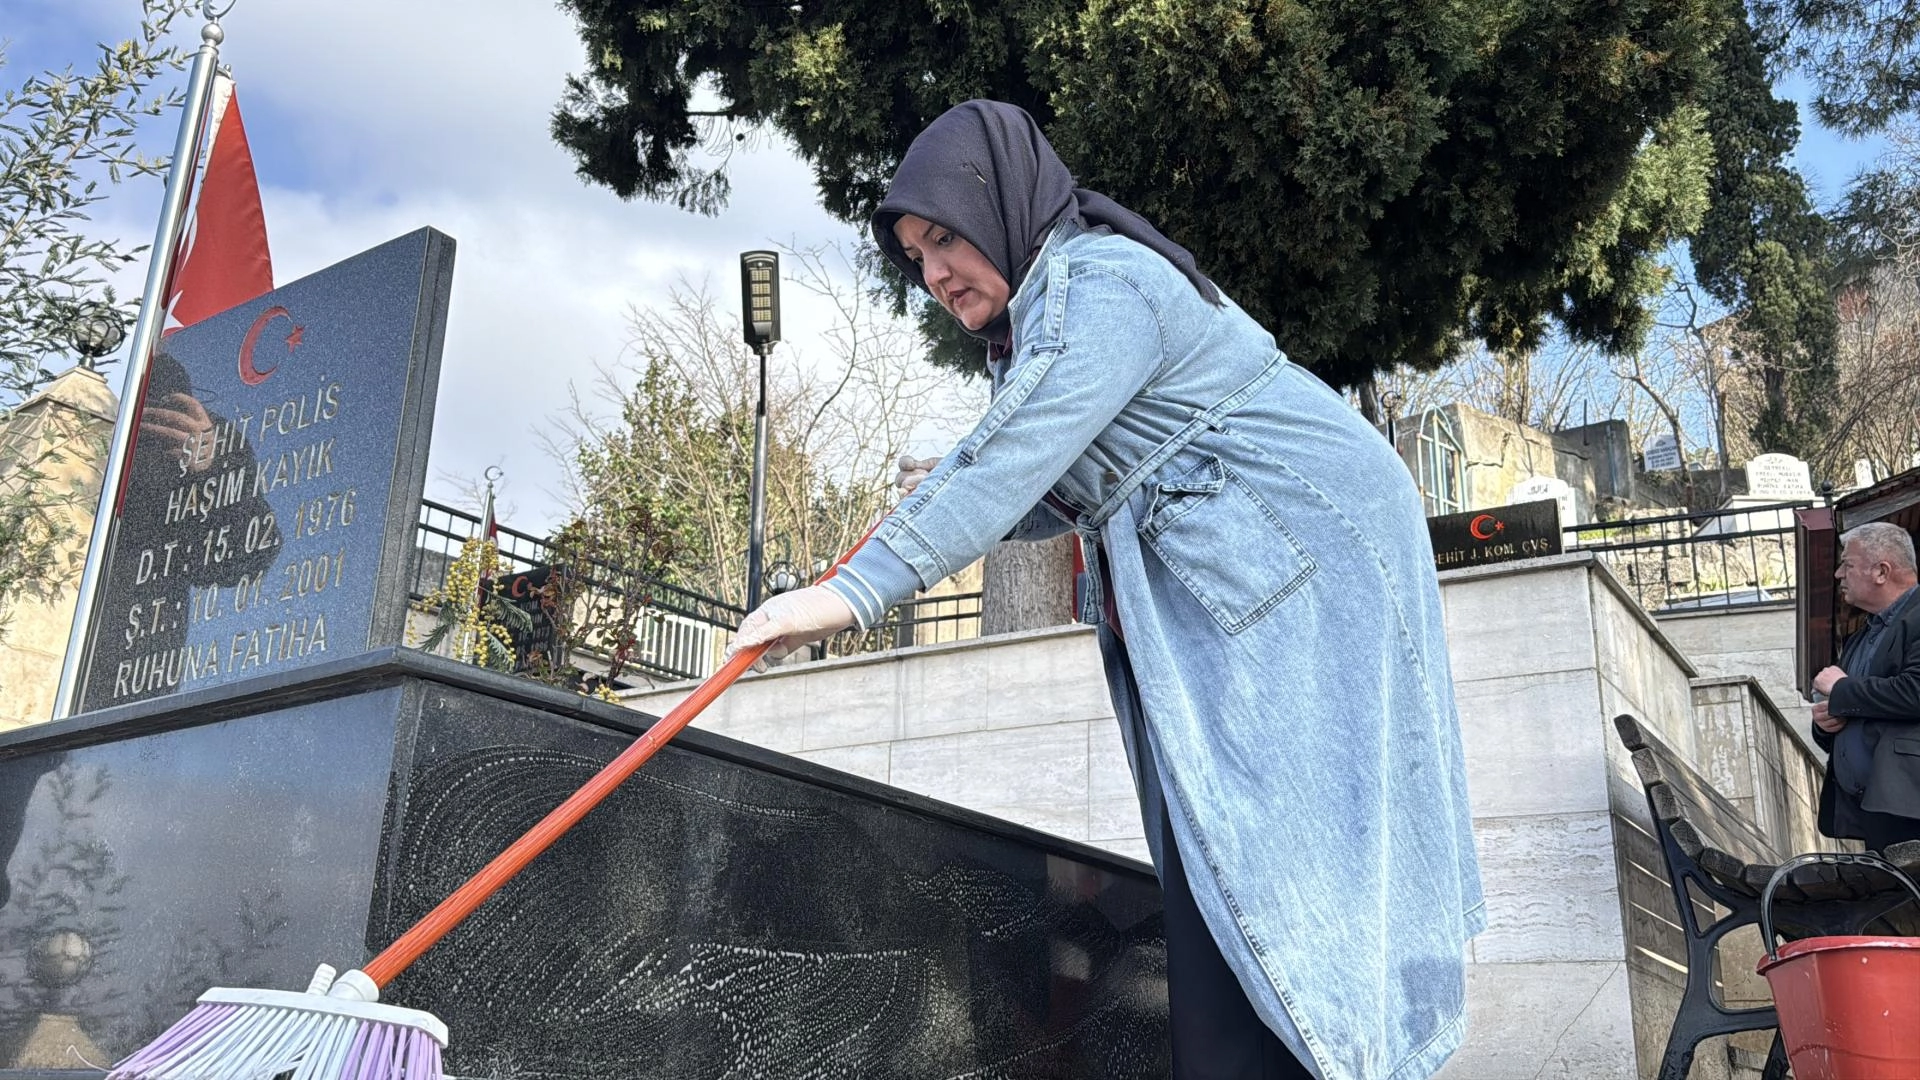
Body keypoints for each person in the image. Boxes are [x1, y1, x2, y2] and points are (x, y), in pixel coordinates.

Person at [726, 101, 1483, 1080]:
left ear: (999, 205)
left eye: (945, 237)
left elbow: (1008, 462)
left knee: (1277, 871)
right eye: (916, 257)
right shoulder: (1040, 327)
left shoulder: (1103, 284)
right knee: (1217, 872)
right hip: (1234, 601)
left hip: (1310, 572)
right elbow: (1040, 484)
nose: (935, 273)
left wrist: (844, 595)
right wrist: (944, 491)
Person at [1810, 521, 1920, 852]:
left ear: (1881, 571)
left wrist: (1842, 691)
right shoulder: (1860, 637)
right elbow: (1852, 708)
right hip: (1875, 809)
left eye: (1848, 564)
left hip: (1911, 806)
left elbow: (1915, 691)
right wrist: (1825, 723)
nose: (1838, 574)